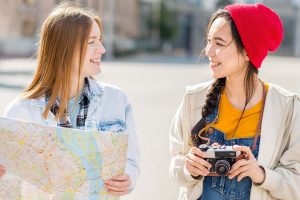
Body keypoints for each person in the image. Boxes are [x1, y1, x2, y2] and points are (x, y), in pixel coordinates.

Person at [3, 2, 139, 197]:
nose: (102, 49)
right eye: (92, 42)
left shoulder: (116, 100)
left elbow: (131, 162)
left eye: (100, 40)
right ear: (64, 48)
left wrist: (128, 178)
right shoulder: (20, 111)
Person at [169, 3, 300, 200]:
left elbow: (296, 183)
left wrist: (262, 175)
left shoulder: (287, 107)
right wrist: (189, 168)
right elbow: (175, 165)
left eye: (219, 43)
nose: (208, 51)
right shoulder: (193, 99)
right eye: (209, 41)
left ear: (248, 51)